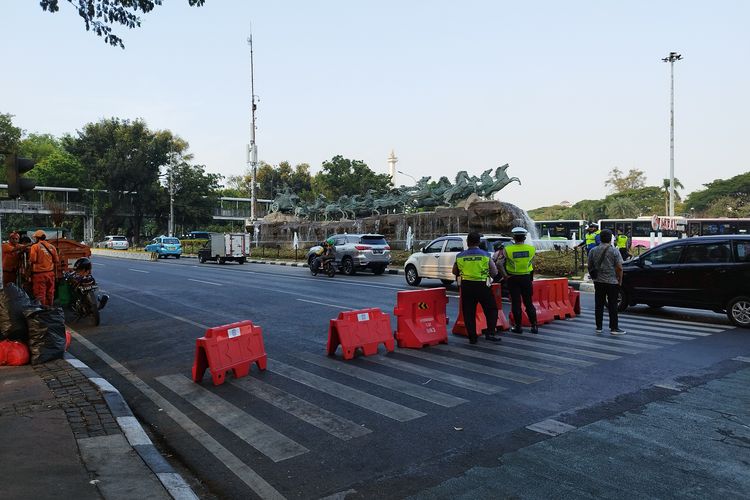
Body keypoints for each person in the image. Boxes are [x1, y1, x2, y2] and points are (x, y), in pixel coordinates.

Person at [452, 232, 501, 344]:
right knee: (491, 310)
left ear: (467, 242)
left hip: (467, 286)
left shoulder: (460, 256)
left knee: (469, 312)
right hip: (482, 286)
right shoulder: (485, 255)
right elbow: (494, 272)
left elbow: (454, 271)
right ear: (479, 242)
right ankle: (490, 333)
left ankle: (472, 337)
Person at [588, 229, 626, 335]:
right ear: (610, 238)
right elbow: (619, 267)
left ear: (600, 238)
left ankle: (599, 327)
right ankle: (614, 328)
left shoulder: (593, 250)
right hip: (612, 282)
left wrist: (594, 277)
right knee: (613, 305)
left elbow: (590, 266)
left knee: (599, 304)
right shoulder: (614, 251)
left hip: (598, 282)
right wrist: (620, 280)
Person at [500, 227, 538, 334]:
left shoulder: (508, 249)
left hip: (513, 278)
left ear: (513, 238)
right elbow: (533, 263)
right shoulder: (531, 249)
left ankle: (518, 327)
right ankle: (534, 326)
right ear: (525, 238)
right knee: (529, 303)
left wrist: (505, 276)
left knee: (516, 303)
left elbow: (499, 263)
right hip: (526, 278)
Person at [29, 229, 60, 307]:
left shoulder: (35, 246)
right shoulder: (52, 247)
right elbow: (56, 260)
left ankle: (43, 311)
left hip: (39, 275)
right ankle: (50, 308)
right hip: (50, 274)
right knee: (50, 292)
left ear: (37, 238)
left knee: (40, 293)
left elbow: (33, 260)